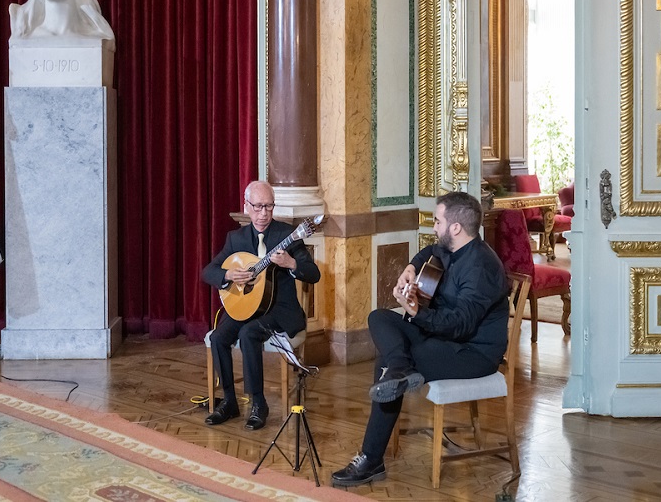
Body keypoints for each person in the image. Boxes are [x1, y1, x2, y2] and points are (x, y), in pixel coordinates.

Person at [331, 191, 510, 487]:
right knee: (379, 317)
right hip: (440, 337)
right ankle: (401, 369)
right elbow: (428, 253)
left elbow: (460, 326)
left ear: (455, 227)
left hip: (472, 353)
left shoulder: (482, 268)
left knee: (388, 361)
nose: (434, 226)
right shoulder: (450, 248)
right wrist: (411, 268)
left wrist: (416, 311)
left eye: (438, 221)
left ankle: (370, 459)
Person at [201, 181, 321, 431]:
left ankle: (258, 403)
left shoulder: (288, 236)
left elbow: (313, 274)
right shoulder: (236, 239)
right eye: (257, 207)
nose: (263, 213)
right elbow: (208, 271)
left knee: (248, 333)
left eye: (268, 206)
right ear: (246, 206)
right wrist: (228, 276)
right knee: (219, 337)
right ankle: (230, 402)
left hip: (280, 310)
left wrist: (291, 264)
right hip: (247, 306)